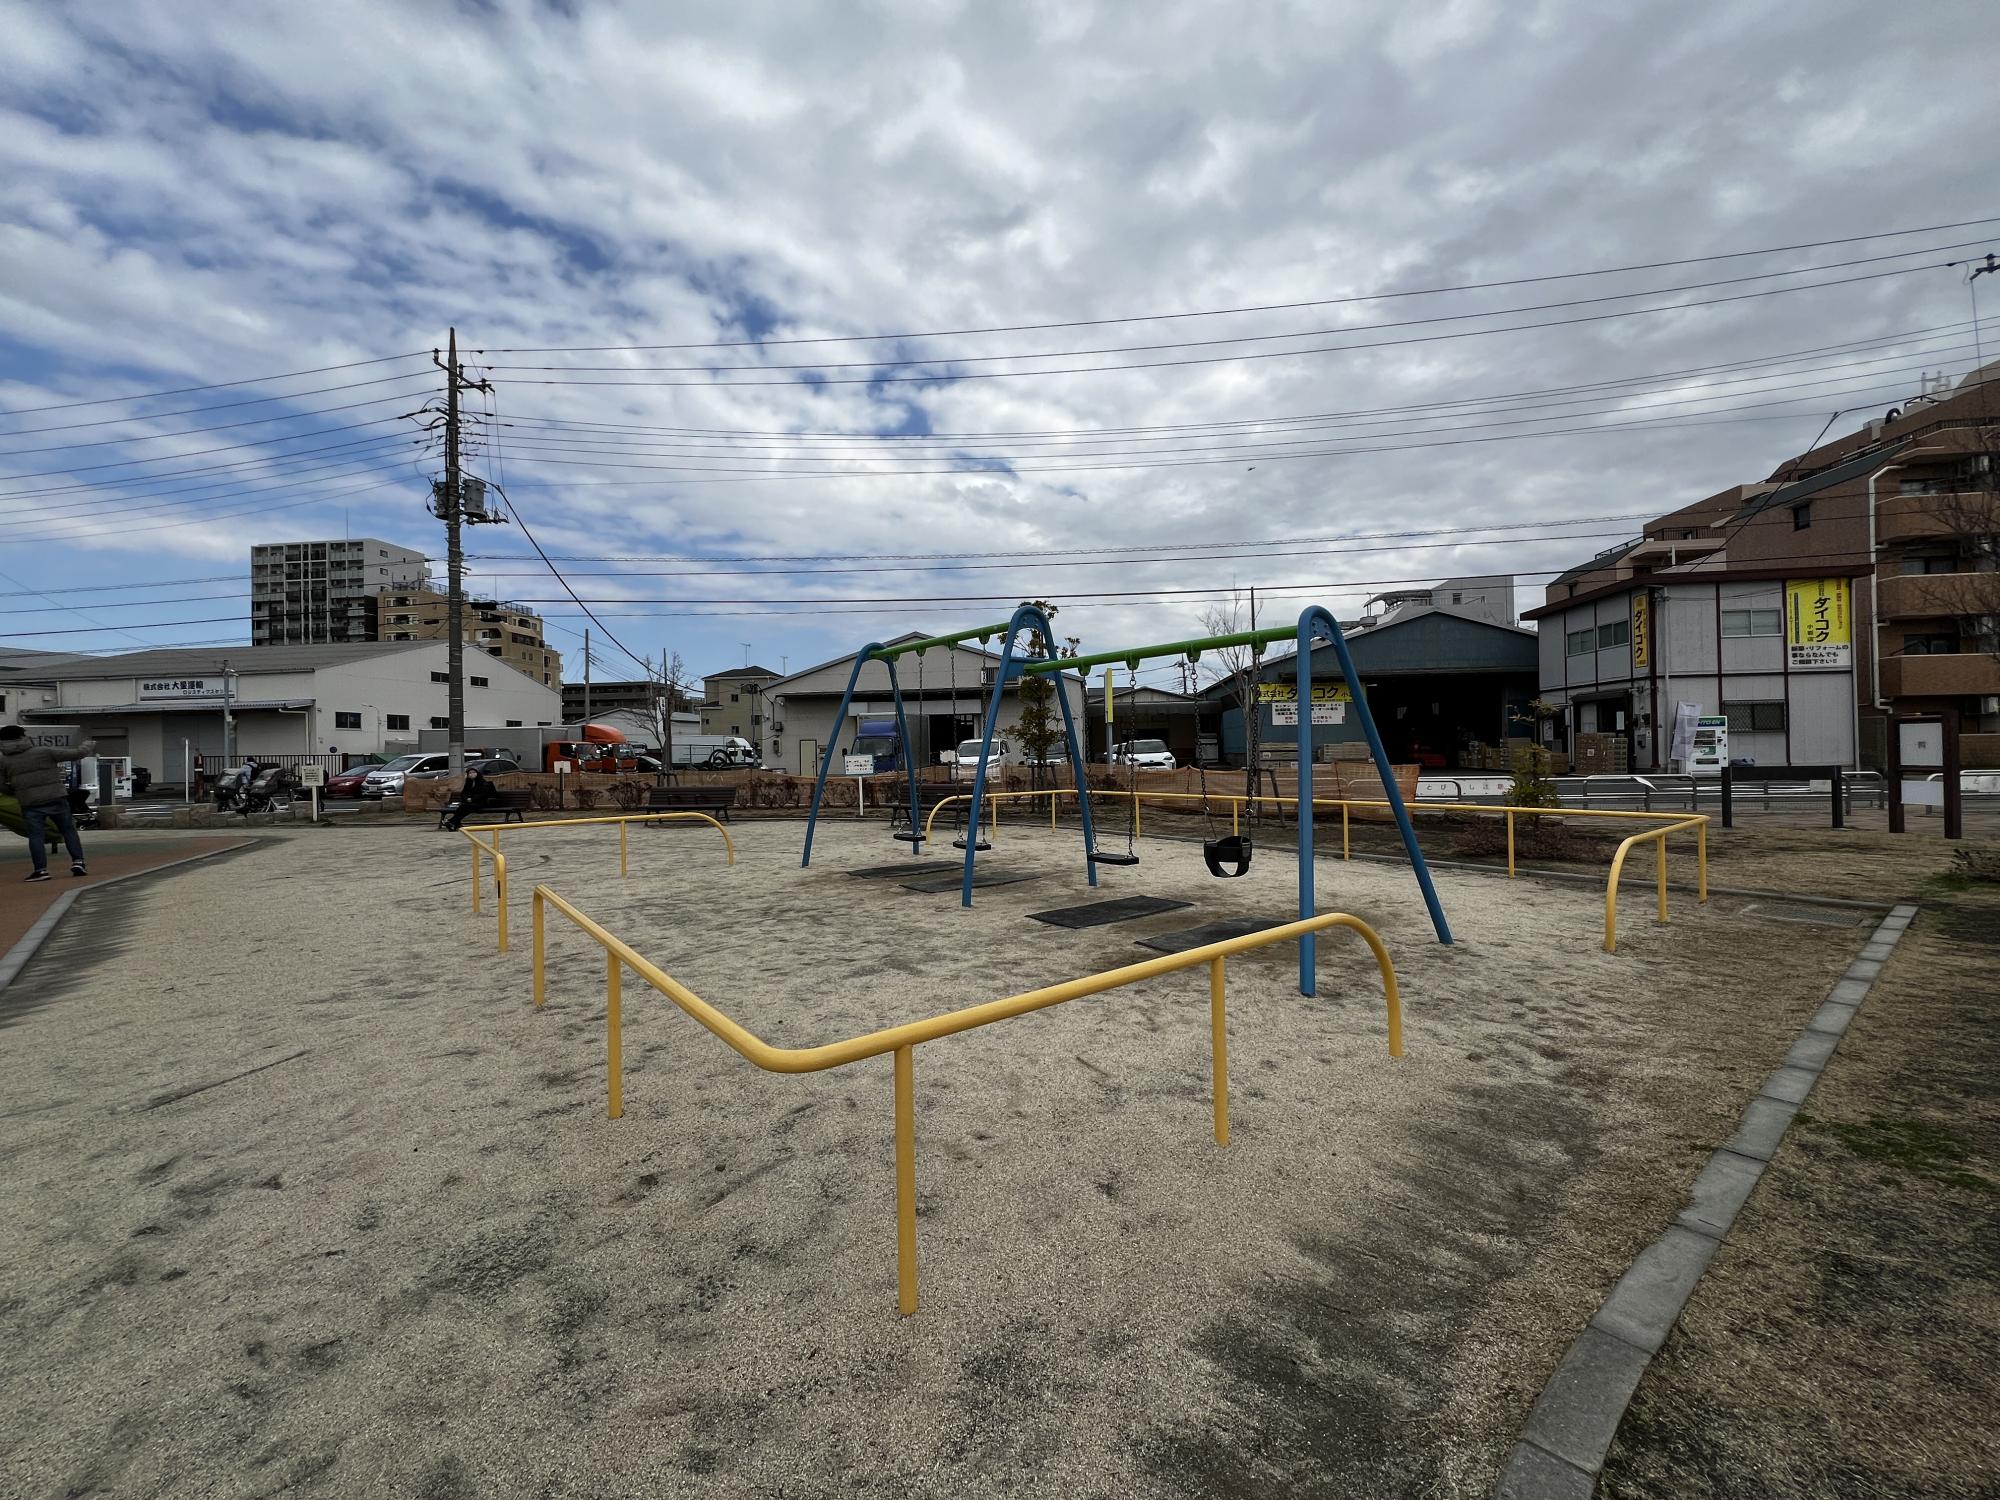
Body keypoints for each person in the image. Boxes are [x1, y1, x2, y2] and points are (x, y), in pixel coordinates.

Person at [0, 726, 95, 882]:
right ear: (22, 737)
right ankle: (78, 862)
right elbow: (77, 753)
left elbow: (1, 785)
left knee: (36, 836)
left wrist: (18, 790)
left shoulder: (3, 760)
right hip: (56, 797)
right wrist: (88, 745)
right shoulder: (44, 752)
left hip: (29, 802)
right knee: (68, 830)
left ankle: (41, 870)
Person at [442, 766, 498, 832]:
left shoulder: (482, 782)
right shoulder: (468, 782)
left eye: (474, 772)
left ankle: (451, 822)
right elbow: (464, 793)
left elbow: (483, 794)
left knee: (466, 807)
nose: (472, 774)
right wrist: (467, 799)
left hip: (481, 803)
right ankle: (454, 823)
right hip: (470, 803)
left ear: (477, 773)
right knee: (462, 807)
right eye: (470, 773)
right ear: (468, 775)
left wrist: (472, 799)